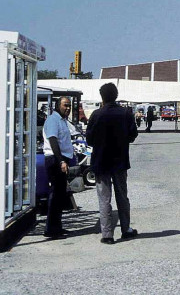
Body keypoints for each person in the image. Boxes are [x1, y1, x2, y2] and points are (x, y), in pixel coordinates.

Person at [86, 83, 139, 244]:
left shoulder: (96, 114)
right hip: (120, 161)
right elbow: (133, 134)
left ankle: (107, 234)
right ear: (116, 95)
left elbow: (89, 139)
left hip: (101, 161)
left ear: (102, 96)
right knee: (122, 196)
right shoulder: (125, 113)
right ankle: (126, 229)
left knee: (104, 198)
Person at [42, 97, 75, 239]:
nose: (67, 108)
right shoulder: (52, 120)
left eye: (69, 106)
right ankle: (51, 229)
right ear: (57, 106)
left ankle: (57, 227)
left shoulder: (63, 121)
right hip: (55, 160)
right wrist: (61, 161)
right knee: (55, 194)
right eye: (65, 105)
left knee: (60, 195)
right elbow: (53, 140)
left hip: (61, 159)